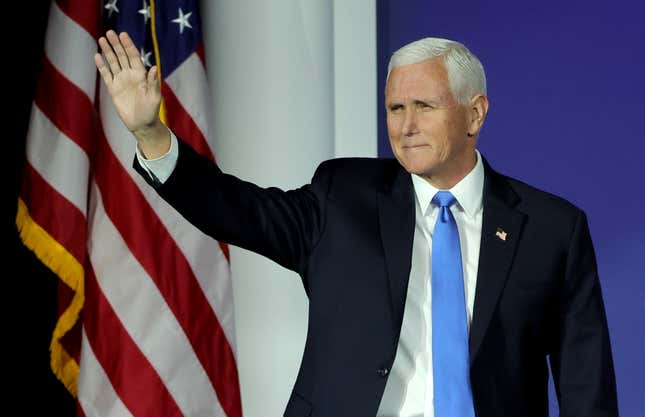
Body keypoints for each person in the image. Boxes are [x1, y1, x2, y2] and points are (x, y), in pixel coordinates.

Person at [95, 30, 619, 417]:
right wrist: (153, 136)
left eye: (424, 106)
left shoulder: (553, 230)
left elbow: (586, 389)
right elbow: (238, 209)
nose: (405, 126)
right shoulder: (342, 197)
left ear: (475, 114)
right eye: (394, 108)